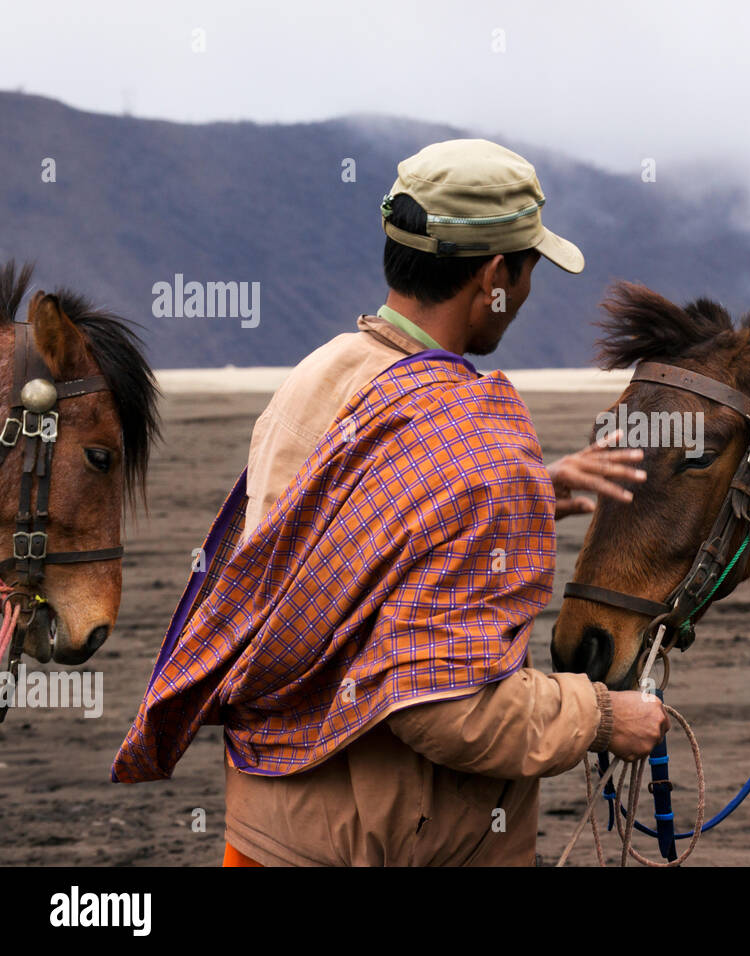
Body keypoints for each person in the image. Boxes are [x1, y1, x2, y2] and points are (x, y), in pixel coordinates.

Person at [112, 139, 668, 866]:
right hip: (395, 839)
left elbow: (359, 540)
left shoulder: (314, 379)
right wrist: (601, 718)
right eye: (530, 268)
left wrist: (535, 490)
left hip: (267, 828)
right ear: (497, 274)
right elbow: (444, 709)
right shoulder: (474, 445)